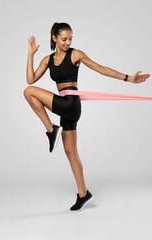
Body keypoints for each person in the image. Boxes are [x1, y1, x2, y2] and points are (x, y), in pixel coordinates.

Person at [24, 22, 150, 211]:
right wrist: (30, 55)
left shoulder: (75, 54)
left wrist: (129, 78)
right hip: (64, 106)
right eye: (64, 39)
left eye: (70, 39)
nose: (68, 42)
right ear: (54, 38)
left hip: (71, 104)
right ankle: (83, 194)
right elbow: (31, 78)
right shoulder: (47, 60)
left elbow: (101, 69)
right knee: (70, 152)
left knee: (29, 92)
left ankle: (51, 130)